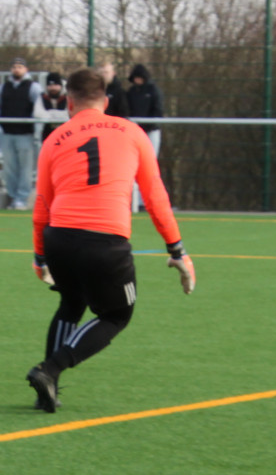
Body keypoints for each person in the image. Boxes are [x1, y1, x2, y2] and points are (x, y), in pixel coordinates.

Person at [26, 67, 196, 413]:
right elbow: (155, 198)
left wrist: (40, 256)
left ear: (69, 103)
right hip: (105, 242)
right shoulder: (132, 132)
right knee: (117, 314)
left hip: (59, 238)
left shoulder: (54, 139)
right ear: (105, 101)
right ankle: (50, 369)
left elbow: (42, 205)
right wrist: (177, 249)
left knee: (71, 303)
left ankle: (47, 390)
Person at [0, 57, 41, 209]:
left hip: (25, 134)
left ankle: (22, 198)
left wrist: (33, 127)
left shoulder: (33, 87)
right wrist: (1, 122)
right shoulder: (3, 87)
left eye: (20, 67)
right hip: (8, 133)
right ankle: (12, 196)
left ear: (26, 69)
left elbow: (38, 108)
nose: (17, 69)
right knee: (9, 168)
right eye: (14, 67)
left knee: (25, 168)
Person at [126, 63, 165, 212]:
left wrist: (148, 126)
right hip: (136, 132)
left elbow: (158, 111)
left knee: (149, 166)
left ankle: (147, 201)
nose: (138, 80)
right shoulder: (131, 92)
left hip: (151, 132)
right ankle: (135, 201)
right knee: (134, 166)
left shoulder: (154, 91)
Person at [34, 71, 69, 143]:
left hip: (66, 135)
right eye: (50, 85)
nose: (53, 88)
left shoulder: (68, 97)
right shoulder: (42, 96)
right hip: (47, 135)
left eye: (56, 85)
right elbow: (37, 113)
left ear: (61, 85)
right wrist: (58, 116)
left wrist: (50, 114)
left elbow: (69, 114)